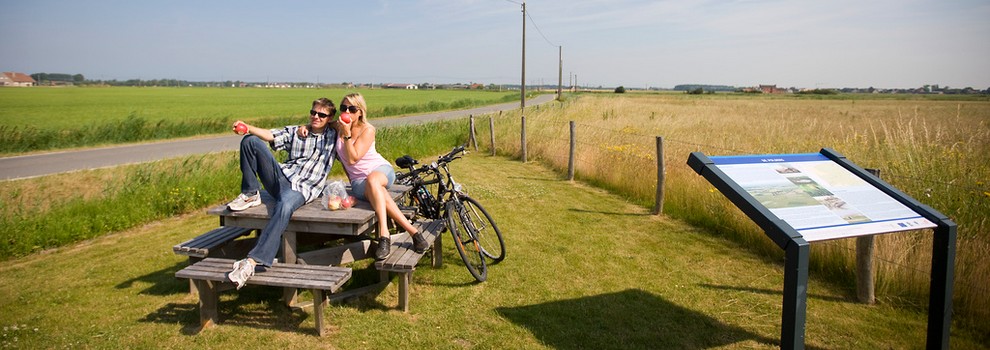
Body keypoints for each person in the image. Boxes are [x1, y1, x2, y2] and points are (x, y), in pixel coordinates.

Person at [224, 98, 338, 289]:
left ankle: (252, 262)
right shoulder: (297, 131)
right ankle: (251, 193)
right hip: (281, 177)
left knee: (284, 207)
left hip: (302, 189)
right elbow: (270, 135)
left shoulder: (334, 136)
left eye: (321, 115)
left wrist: (323, 124)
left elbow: (349, 124)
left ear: (330, 118)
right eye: (313, 113)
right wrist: (247, 127)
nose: (315, 117)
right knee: (250, 141)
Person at [305, 93, 429, 260]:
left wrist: (347, 134)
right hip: (359, 183)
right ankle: (414, 232)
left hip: (381, 170)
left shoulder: (367, 130)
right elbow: (320, 122)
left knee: (373, 180)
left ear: (360, 112)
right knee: (379, 192)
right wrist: (304, 127)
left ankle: (383, 235)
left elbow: (353, 158)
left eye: (352, 108)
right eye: (343, 108)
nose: (347, 111)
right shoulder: (338, 126)